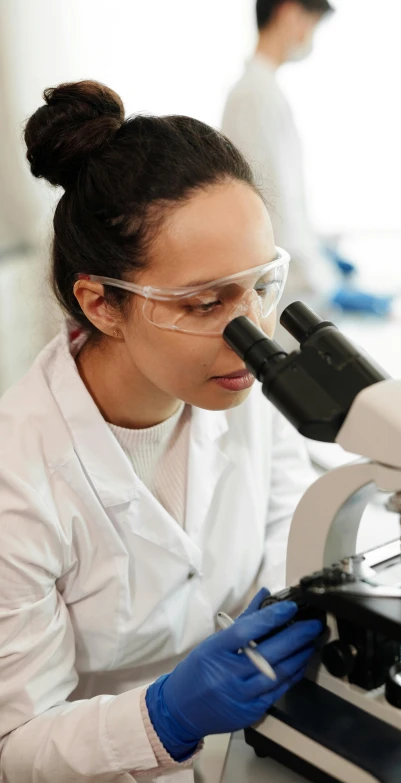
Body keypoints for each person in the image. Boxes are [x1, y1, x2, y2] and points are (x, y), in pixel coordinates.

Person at [0, 80, 324, 782]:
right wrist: (162, 715)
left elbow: (291, 521)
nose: (253, 334)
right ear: (101, 303)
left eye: (261, 286)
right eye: (206, 302)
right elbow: (17, 744)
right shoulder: (17, 479)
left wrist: (302, 594)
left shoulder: (241, 386)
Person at [222, 0, 392, 318]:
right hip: (290, 295)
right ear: (289, 13)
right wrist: (326, 284)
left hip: (294, 284)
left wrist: (321, 253)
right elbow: (274, 211)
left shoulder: (262, 91)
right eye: (312, 23)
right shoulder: (255, 96)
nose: (310, 36)